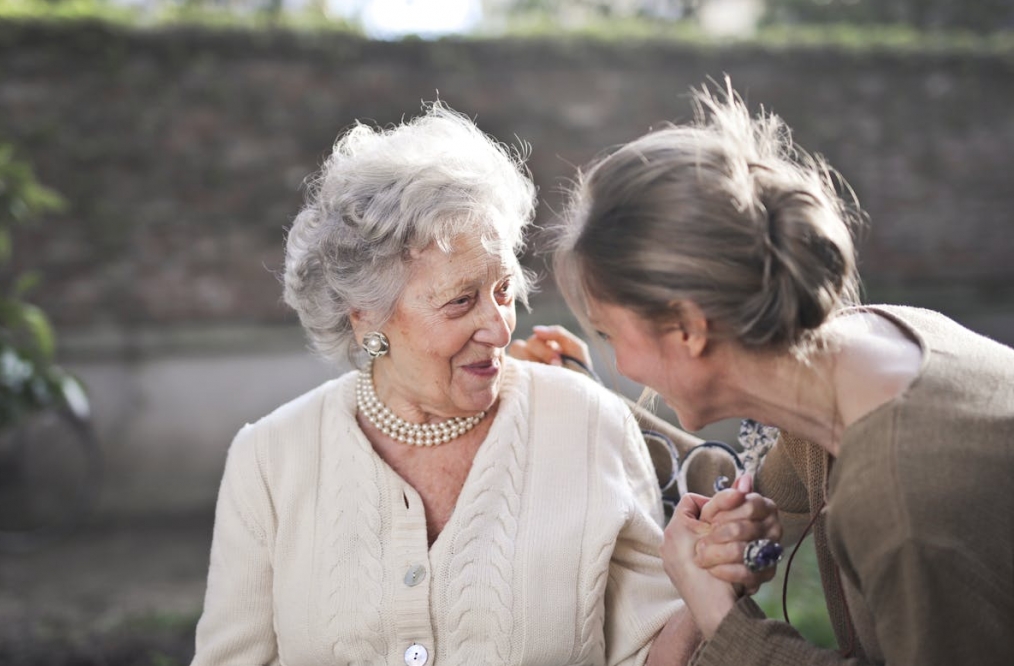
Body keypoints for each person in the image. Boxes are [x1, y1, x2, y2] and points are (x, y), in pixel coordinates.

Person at [190, 102, 781, 666]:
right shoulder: (269, 460)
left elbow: (651, 654)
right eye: (460, 301)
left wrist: (705, 584)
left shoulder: (586, 423)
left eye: (503, 290)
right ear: (365, 315)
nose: (499, 327)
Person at [549, 80, 1014, 665]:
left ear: (688, 327)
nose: (622, 365)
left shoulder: (902, 500)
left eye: (611, 335)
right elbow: (755, 500)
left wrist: (721, 615)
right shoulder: (864, 351)